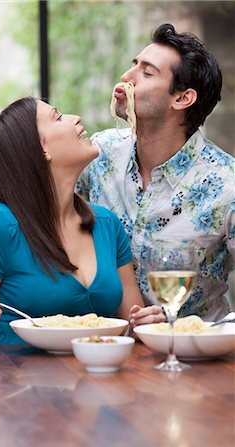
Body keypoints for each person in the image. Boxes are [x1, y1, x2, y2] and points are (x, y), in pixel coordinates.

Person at [0, 97, 165, 346]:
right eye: (57, 117)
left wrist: (145, 324)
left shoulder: (108, 224)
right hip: (15, 382)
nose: (75, 118)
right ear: (40, 149)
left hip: (96, 380)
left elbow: (131, 324)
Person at [77, 23, 235, 321]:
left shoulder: (227, 185)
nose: (127, 77)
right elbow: (48, 217)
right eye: (133, 65)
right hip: (104, 344)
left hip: (193, 356)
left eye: (147, 73)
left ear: (182, 98)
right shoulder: (99, 154)